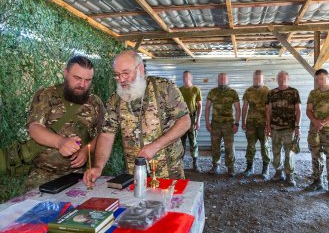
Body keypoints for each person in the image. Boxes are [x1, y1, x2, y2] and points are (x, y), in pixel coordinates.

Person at [84, 51, 190, 187]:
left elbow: (185, 121)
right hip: (135, 174)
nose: (121, 79)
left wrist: (156, 146)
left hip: (170, 172)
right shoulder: (114, 99)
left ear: (140, 69)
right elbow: (106, 135)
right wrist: (98, 166)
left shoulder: (164, 87)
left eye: (125, 73)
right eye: (116, 75)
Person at [24, 56, 105, 189]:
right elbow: (34, 128)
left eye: (88, 80)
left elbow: (103, 134)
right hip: (43, 177)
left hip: (79, 177)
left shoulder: (95, 103)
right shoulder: (46, 95)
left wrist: (85, 150)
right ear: (65, 73)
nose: (82, 85)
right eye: (77, 78)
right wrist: (60, 142)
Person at [305, 69, 329, 198]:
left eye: (322, 78)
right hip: (315, 130)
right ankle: (317, 182)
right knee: (315, 156)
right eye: (317, 79)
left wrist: (323, 122)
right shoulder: (313, 93)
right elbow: (309, 110)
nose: (319, 82)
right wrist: (316, 122)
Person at [266, 71, 301, 187]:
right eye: (279, 77)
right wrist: (268, 126)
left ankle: (289, 176)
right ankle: (278, 172)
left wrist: (297, 126)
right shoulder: (272, 93)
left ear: (288, 78)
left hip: (289, 128)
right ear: (277, 79)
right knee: (276, 152)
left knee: (289, 153)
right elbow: (269, 110)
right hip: (275, 128)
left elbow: (298, 110)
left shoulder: (294, 92)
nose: (281, 79)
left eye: (284, 77)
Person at [205, 73, 240, 177]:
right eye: (221, 78)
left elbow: (238, 109)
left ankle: (230, 167)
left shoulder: (233, 92)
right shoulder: (213, 92)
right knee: (215, 146)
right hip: (215, 124)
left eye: (224, 78)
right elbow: (207, 108)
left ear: (228, 80)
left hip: (229, 125)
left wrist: (237, 124)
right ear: (218, 80)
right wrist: (207, 122)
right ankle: (215, 165)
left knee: (229, 147)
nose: (222, 80)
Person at [242, 70, 271, 179]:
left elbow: (270, 109)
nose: (257, 80)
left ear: (263, 79)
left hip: (263, 124)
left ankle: (265, 169)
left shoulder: (268, 91)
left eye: (259, 79)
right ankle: (249, 168)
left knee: (265, 146)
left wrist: (269, 124)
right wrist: (243, 121)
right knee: (250, 146)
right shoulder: (248, 91)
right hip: (251, 124)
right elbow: (245, 107)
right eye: (255, 78)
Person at [179, 71, 203, 172]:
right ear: (182, 78)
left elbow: (200, 106)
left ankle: (195, 163)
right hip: (182, 118)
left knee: (193, 141)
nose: (186, 79)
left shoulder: (196, 89)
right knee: (181, 142)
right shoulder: (179, 90)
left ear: (191, 78)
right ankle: (180, 163)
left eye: (188, 77)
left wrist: (198, 121)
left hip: (192, 118)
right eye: (184, 77)